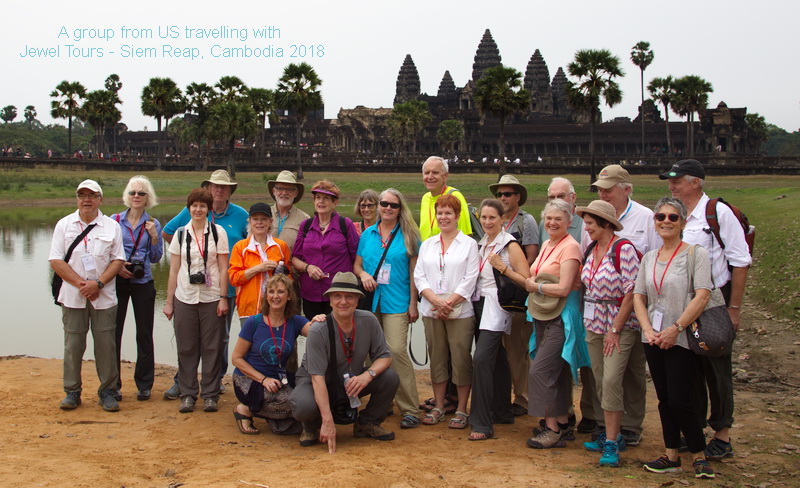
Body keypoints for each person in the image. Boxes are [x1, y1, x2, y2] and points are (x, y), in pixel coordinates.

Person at [660, 159, 751, 461]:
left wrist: (734, 308)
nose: (671, 186)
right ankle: (694, 430)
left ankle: (722, 435)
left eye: (677, 181)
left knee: (716, 367)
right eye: (670, 181)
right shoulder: (678, 215)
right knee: (689, 368)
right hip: (683, 300)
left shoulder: (716, 213)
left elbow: (740, 261)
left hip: (714, 300)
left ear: (695, 182)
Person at [633, 197, 716, 479]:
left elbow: (702, 295)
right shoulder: (649, 259)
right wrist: (647, 329)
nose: (666, 222)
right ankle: (671, 455)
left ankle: (699, 454)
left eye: (673, 217)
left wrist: (676, 328)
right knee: (665, 399)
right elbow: (639, 296)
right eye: (661, 217)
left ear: (682, 222)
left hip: (681, 337)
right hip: (654, 338)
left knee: (682, 399)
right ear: (654, 223)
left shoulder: (695, 254)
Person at [290, 272, 400, 453]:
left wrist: (367, 375)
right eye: (337, 296)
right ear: (330, 300)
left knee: (389, 377)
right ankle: (311, 427)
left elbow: (385, 356)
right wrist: (328, 421)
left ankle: (367, 423)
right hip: (317, 381)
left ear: (358, 300)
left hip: (348, 380)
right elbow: (317, 378)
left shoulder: (369, 320)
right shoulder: (318, 329)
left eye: (349, 296)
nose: (343, 302)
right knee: (304, 404)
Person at [589, 164, 659, 447]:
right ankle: (606, 424)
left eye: (608, 190)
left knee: (631, 369)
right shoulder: (594, 219)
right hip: (596, 313)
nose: (604, 195)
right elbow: (589, 261)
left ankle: (630, 425)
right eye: (600, 190)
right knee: (603, 373)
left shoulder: (645, 218)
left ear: (626, 190)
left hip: (634, 309)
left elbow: (655, 260)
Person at [161, 170, 248, 399]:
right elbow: (167, 232)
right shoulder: (189, 216)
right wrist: (187, 250)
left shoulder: (240, 215)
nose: (219, 190)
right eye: (215, 186)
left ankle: (214, 383)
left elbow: (251, 243)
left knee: (220, 338)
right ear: (209, 188)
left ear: (230, 191)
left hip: (225, 289)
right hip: (188, 291)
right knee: (188, 340)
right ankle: (184, 384)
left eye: (224, 187)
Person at [49, 180, 125, 412]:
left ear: (100, 200)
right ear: (77, 199)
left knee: (106, 345)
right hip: (73, 295)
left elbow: (118, 260)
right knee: (73, 345)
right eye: (82, 195)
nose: (87, 200)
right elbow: (55, 260)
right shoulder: (64, 225)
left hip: (104, 296)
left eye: (92, 195)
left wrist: (98, 284)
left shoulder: (112, 227)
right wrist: (82, 284)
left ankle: (108, 391)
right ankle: (72, 391)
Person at [575, 200, 641, 466]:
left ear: (604, 223)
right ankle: (609, 433)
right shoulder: (592, 249)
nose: (587, 228)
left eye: (590, 223)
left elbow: (632, 291)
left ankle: (612, 442)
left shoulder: (623, 250)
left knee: (612, 380)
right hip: (593, 324)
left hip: (618, 325)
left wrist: (616, 329)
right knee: (600, 379)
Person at [524, 198, 590, 448]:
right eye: (548, 218)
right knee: (558, 370)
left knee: (541, 370)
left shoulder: (570, 247)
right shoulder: (548, 243)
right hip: (544, 313)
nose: (552, 223)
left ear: (569, 222)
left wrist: (536, 286)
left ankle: (551, 428)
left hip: (563, 315)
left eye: (558, 219)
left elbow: (564, 288)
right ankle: (562, 420)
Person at [354, 188, 422, 429]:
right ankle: (385, 401)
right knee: (374, 354)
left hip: (397, 300)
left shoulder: (409, 235)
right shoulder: (368, 234)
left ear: (400, 208)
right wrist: (362, 275)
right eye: (384, 204)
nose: (387, 208)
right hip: (371, 301)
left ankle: (410, 408)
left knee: (395, 350)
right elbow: (357, 264)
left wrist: (413, 304)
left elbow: (415, 273)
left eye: (393, 205)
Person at [414, 194, 479, 429]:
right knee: (438, 357)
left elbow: (470, 278)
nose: (443, 217)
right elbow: (419, 275)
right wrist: (434, 300)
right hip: (432, 309)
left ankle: (461, 408)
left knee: (461, 358)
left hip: (460, 311)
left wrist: (449, 302)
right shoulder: (429, 244)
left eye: (448, 213)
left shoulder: (469, 244)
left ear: (457, 216)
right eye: (440, 213)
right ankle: (439, 405)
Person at [542, 177, 601, 435]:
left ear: (574, 199)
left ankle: (593, 414)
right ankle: (563, 414)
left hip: (583, 302)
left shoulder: (586, 226)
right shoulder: (549, 228)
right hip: (553, 305)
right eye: (552, 196)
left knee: (587, 363)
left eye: (562, 196)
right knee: (560, 363)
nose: (557, 201)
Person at [468, 199, 531, 440]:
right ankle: (503, 410)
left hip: (497, 306)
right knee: (499, 358)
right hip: (479, 303)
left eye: (492, 218)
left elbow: (526, 280)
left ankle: (481, 422)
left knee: (482, 360)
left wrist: (503, 269)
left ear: (503, 219)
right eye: (483, 217)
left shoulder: (509, 245)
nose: (487, 222)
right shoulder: (483, 243)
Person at [163, 188, 230, 414]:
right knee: (187, 348)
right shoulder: (181, 234)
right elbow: (173, 270)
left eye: (203, 206)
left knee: (212, 348)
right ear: (189, 208)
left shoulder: (218, 232)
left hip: (211, 298)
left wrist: (223, 298)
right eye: (194, 205)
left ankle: (210, 395)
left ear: (209, 209)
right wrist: (169, 301)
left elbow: (223, 267)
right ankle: (188, 394)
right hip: (185, 297)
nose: (198, 209)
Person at [231, 274, 318, 435]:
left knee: (305, 405)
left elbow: (316, 333)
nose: (275, 296)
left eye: (280, 292)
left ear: (290, 296)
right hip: (250, 380)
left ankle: (277, 421)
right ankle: (246, 409)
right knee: (298, 407)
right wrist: (263, 379)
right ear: (266, 296)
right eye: (271, 292)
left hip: (279, 382)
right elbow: (236, 358)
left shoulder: (295, 321)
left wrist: (319, 320)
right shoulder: (254, 322)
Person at [488, 174, 539, 417]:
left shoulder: (525, 221)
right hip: (496, 294)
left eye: (507, 194)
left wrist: (511, 277)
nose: (503, 198)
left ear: (518, 197)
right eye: (499, 195)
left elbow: (530, 256)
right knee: (502, 350)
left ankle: (523, 398)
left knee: (518, 349)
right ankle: (503, 396)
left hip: (516, 291)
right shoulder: (494, 222)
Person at [111, 175, 164, 402]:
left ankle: (144, 384)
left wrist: (153, 237)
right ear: (127, 195)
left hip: (143, 283)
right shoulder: (113, 221)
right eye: (133, 192)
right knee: (113, 333)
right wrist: (118, 265)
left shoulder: (153, 223)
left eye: (141, 193)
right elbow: (106, 252)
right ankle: (113, 383)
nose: (136, 197)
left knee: (144, 334)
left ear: (147, 197)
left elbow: (156, 257)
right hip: (118, 280)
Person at [292, 180, 360, 318]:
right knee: (315, 332)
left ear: (335, 203)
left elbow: (357, 257)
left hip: (339, 294)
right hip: (310, 293)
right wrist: (308, 268)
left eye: (326, 198)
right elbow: (295, 259)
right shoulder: (305, 225)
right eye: (318, 197)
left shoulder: (345, 224)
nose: (321, 202)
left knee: (339, 334)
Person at [228, 203, 292, 326]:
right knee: (250, 344)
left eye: (264, 219)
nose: (259, 223)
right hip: (248, 310)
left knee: (274, 344)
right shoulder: (240, 247)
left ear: (270, 221)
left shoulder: (281, 246)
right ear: (250, 222)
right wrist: (259, 268)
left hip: (276, 310)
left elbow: (289, 280)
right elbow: (234, 279)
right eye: (255, 219)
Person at [419, 156, 472, 240]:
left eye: (435, 173)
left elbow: (465, 236)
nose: (430, 177)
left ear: (445, 176)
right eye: (426, 173)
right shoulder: (425, 198)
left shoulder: (454, 196)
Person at [267, 170, 309, 251]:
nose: (284, 193)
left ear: (296, 193)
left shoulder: (305, 219)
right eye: (280, 189)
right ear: (274, 191)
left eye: (289, 189)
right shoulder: (263, 215)